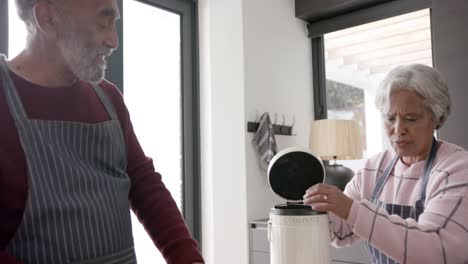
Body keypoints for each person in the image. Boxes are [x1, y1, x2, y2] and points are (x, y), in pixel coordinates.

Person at [0, 0, 204, 263]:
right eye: (103, 21)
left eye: (115, 22)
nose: (113, 41)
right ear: (47, 18)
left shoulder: (108, 98)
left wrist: (187, 257)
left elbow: (144, 183)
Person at [304, 64, 468, 263]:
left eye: (411, 118)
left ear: (437, 117)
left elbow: (434, 250)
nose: (398, 129)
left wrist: (352, 209)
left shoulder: (456, 169)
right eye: (390, 118)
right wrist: (321, 207)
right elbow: (342, 232)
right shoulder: (374, 168)